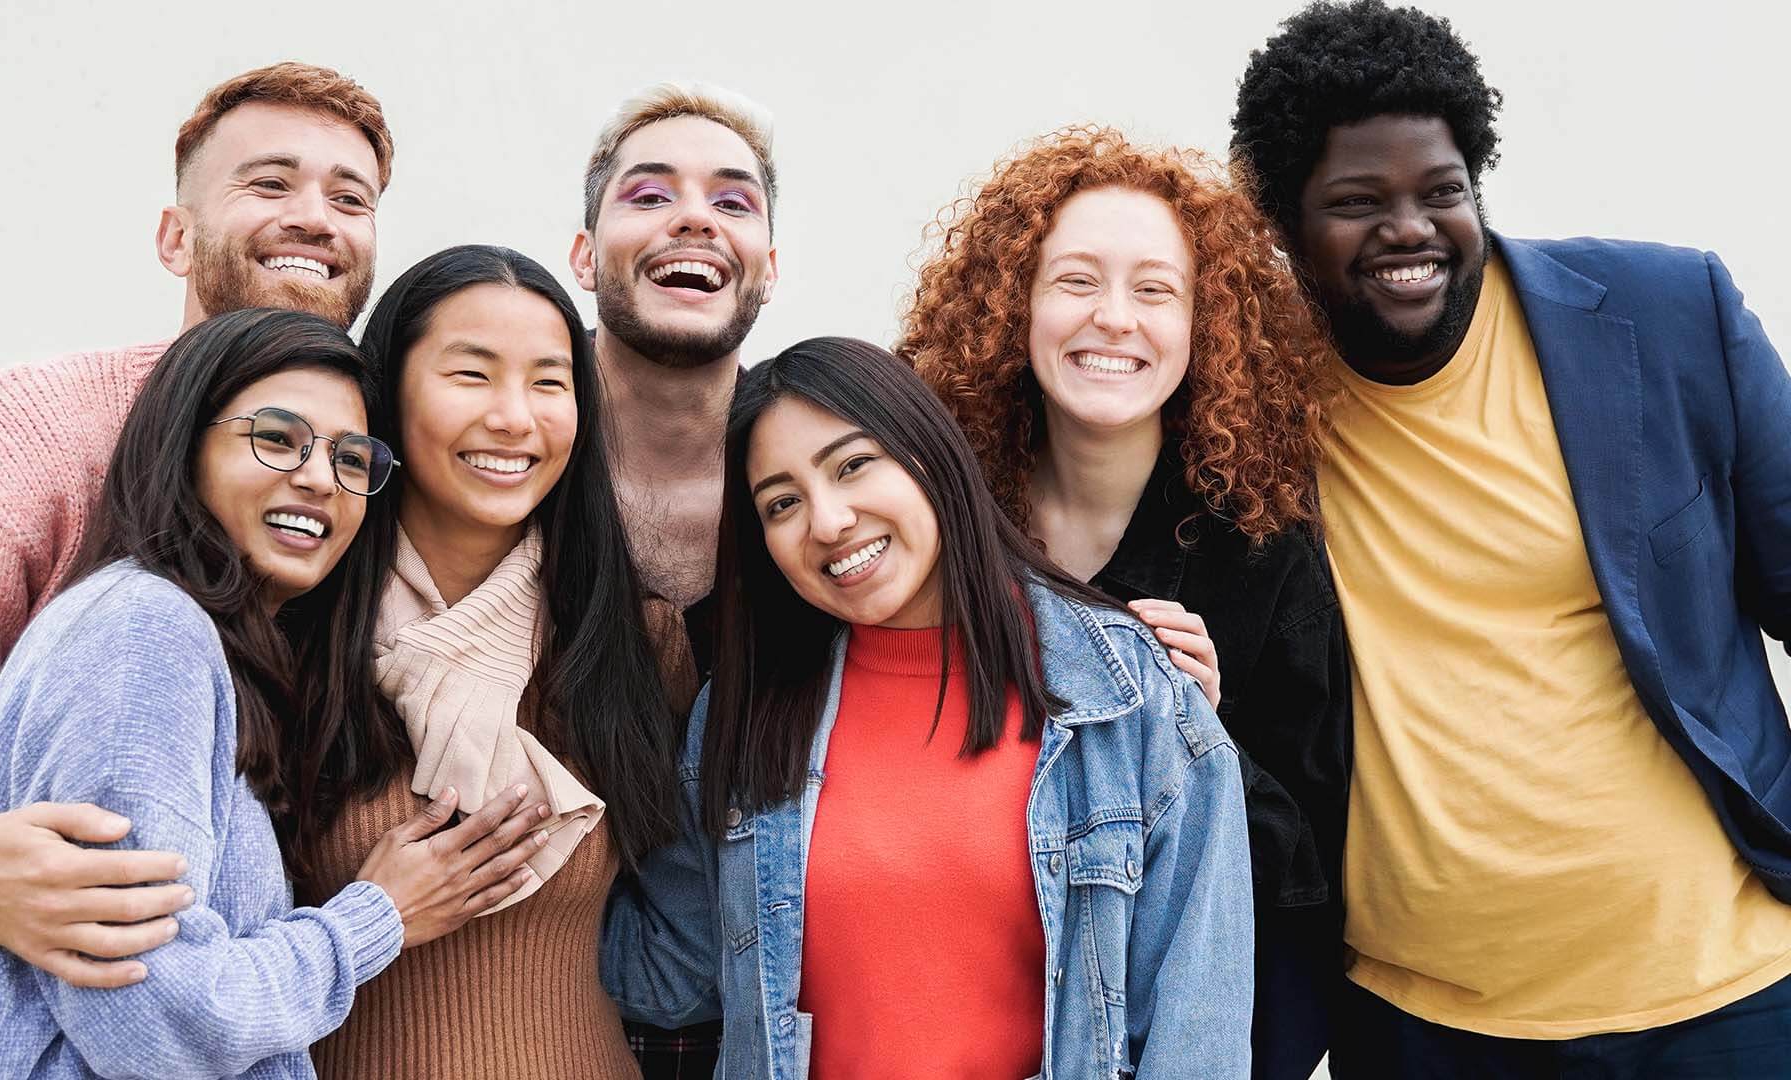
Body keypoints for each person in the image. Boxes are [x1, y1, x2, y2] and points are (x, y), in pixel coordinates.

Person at [1230, 2, 1791, 1074]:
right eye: (1357, 202)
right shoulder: (1250, 407)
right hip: (1425, 1024)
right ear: (1286, 226)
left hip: (1731, 997)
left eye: (1441, 191)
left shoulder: (1668, 315)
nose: (1410, 228)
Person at [0, 61, 395, 1078]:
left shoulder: (348, 481)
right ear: (174, 236)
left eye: (349, 197)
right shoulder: (28, 439)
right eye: (271, 182)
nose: (314, 217)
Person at [601, 337, 1254, 1079]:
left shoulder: (1124, 693)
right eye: (782, 503)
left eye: (853, 465)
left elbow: (1198, 1030)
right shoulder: (743, 713)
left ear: (928, 455)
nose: (828, 521)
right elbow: (670, 974)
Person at [0, 307, 546, 1079]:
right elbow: (153, 1015)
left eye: (351, 459)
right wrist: (376, 917)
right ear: (184, 444)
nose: (317, 478)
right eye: (275, 437)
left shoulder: (203, 643)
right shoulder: (146, 631)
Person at [900, 126, 1349, 1079]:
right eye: (1075, 282)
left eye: (1155, 290)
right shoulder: (937, 528)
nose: (1114, 318)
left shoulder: (1265, 553)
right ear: (1011, 307)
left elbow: (1313, 877)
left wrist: (1202, 735)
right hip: (953, 1023)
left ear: (1205, 325)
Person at [294, 246, 688, 1080]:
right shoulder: (291, 633)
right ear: (385, 397)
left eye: (549, 382)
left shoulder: (633, 643)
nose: (515, 418)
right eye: (471, 375)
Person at [569, 81, 779, 1073]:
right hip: (525, 1006)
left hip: (778, 1024)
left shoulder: (830, 473)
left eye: (732, 201)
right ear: (584, 254)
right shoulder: (498, 453)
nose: (696, 214)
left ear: (768, 268)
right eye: (649, 195)